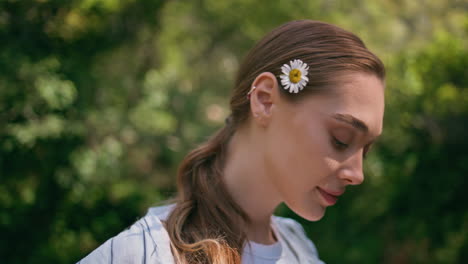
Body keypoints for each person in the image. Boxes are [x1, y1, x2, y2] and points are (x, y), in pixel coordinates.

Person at [78, 19, 385, 264]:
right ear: (265, 100)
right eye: (341, 139)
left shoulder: (298, 246)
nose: (357, 174)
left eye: (366, 149)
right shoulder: (141, 254)